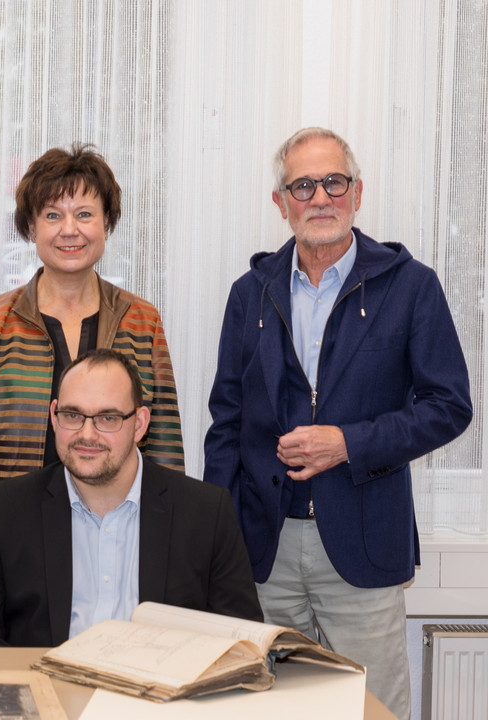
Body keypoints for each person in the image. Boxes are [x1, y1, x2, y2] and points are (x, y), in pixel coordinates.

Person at [204, 127, 473, 719]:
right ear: (281, 202)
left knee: (371, 710)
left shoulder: (411, 286)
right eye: (303, 185)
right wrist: (216, 539)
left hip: (363, 548)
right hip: (263, 550)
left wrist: (349, 443)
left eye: (334, 182)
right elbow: (225, 422)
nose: (320, 197)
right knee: (265, 711)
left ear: (357, 193)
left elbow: (449, 405)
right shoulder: (250, 294)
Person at [0, 144, 183, 592]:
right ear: (30, 227)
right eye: (52, 215)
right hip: (11, 543)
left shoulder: (142, 321)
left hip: (117, 539)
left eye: (85, 214)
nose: (70, 230)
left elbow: (164, 444)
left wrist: (169, 546)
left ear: (107, 224)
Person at [0, 349, 261, 647]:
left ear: (140, 424)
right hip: (49, 698)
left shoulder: (205, 513)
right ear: (53, 416)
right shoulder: (5, 509)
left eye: (108, 418)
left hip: (158, 703)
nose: (87, 435)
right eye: (72, 415)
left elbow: (241, 638)